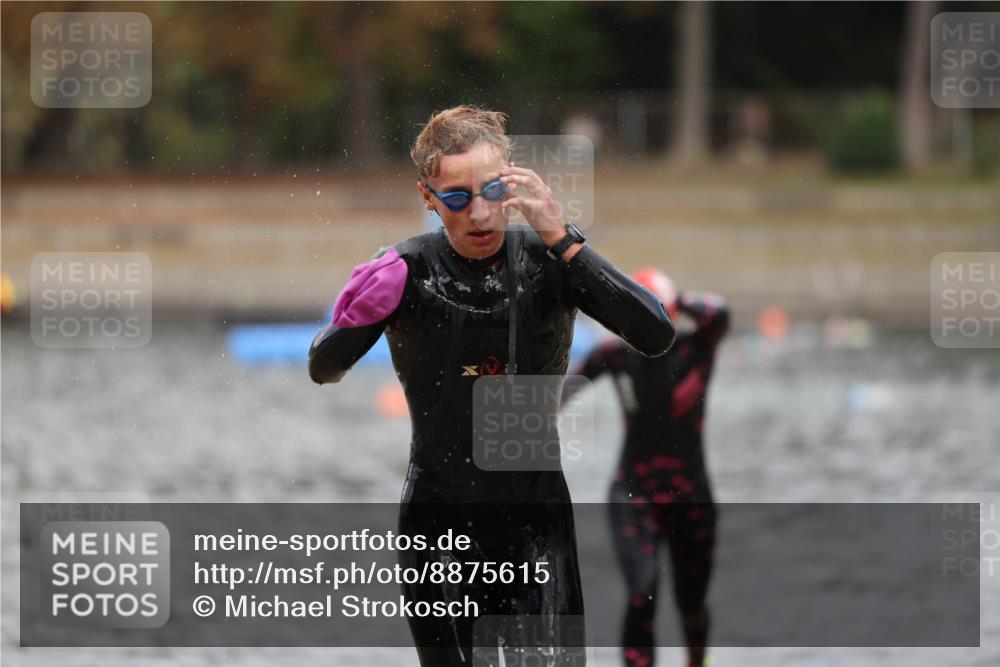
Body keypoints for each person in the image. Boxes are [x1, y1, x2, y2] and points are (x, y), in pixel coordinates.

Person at [308, 106, 675, 666]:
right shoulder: (407, 271)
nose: (479, 214)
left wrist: (566, 241)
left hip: (536, 525)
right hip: (438, 525)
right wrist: (352, 322)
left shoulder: (551, 262)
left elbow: (656, 335)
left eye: (492, 191)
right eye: (457, 198)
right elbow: (323, 368)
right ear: (428, 197)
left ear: (513, 183)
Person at [563, 269, 729, 667]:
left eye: (652, 317)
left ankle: (697, 661)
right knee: (643, 590)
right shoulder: (616, 354)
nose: (644, 332)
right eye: (635, 319)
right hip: (634, 494)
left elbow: (720, 312)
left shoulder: (697, 348)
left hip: (691, 496)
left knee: (692, 601)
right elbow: (560, 393)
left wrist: (669, 297)